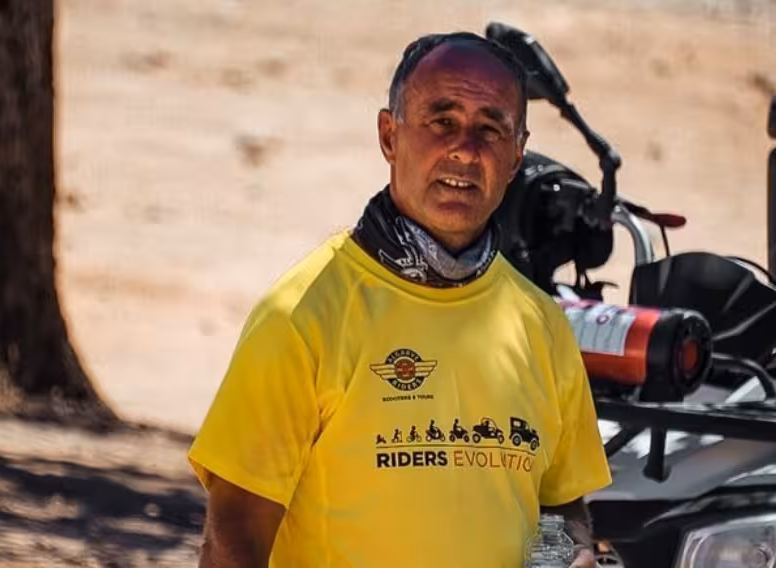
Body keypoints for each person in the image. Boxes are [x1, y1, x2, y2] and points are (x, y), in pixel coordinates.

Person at [188, 31, 611, 568]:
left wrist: (563, 556)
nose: (465, 149)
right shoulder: (302, 316)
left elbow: (559, 507)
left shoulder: (541, 326)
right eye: (442, 120)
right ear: (389, 135)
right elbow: (233, 541)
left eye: (491, 128)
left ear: (516, 155)